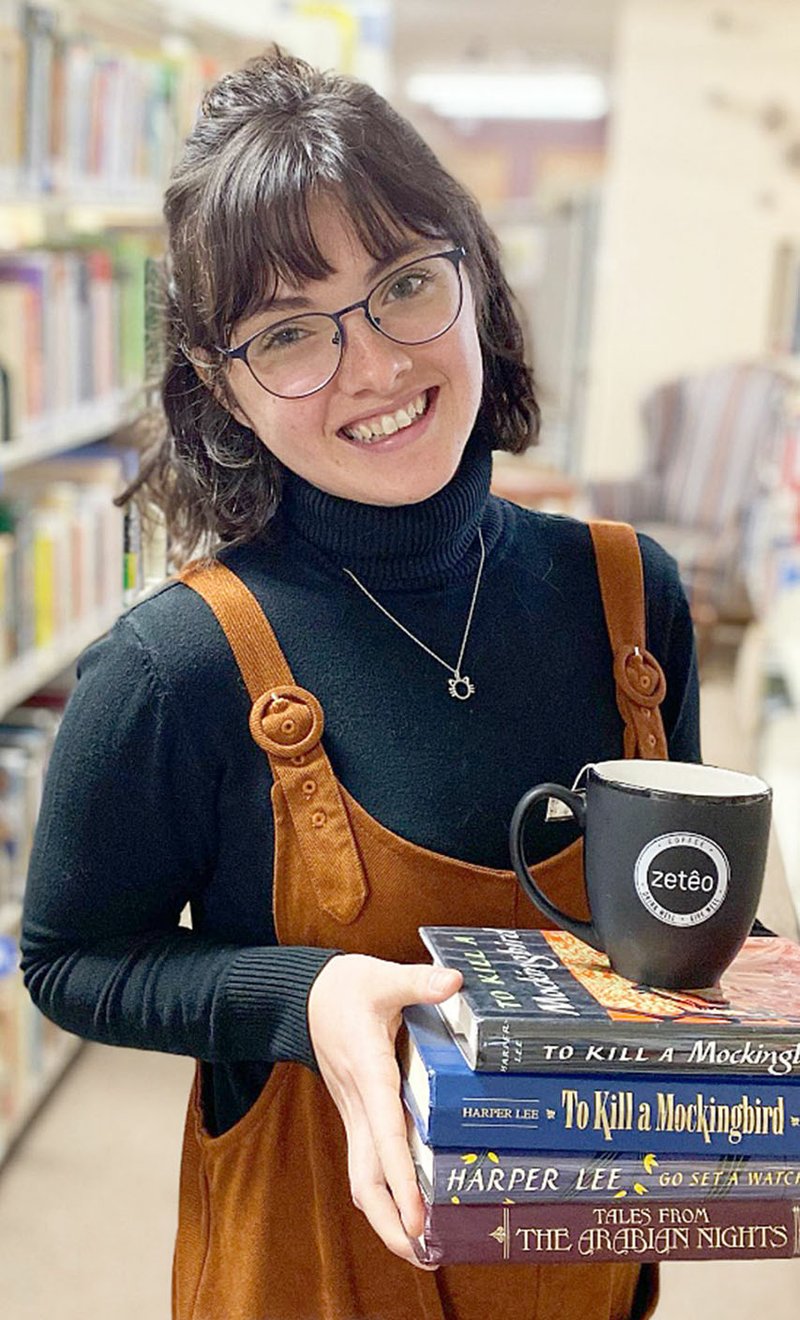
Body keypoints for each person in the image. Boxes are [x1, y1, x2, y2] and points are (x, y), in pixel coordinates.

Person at [21, 45, 700, 1320]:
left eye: (401, 284)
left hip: (579, 1266)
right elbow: (68, 959)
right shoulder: (174, 667)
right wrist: (307, 993)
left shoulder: (630, 600)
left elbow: (671, 928)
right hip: (312, 1270)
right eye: (288, 333)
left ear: (474, 277)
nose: (377, 368)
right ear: (220, 390)